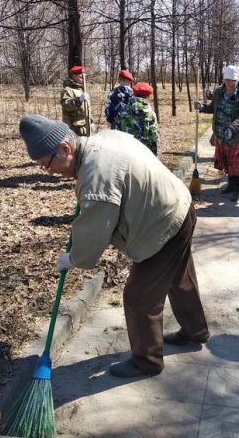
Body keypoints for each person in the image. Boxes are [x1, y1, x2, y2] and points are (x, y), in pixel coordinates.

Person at [19, 114, 210, 377]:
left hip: (162, 225)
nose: (49, 172)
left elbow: (96, 229)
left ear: (65, 149)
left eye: (47, 164)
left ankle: (148, 362)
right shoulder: (102, 140)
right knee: (179, 275)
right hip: (179, 206)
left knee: (138, 297)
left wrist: (73, 259)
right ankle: (195, 330)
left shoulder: (96, 175)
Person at [195, 65, 239, 202]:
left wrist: (232, 128)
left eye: (233, 81)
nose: (230, 84)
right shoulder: (219, 91)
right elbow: (213, 108)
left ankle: (237, 189)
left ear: (237, 80)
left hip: (236, 134)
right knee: (225, 160)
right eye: (227, 80)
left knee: (236, 162)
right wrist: (202, 107)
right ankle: (230, 185)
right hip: (220, 133)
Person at [123, 82, 159, 155]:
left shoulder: (123, 111)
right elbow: (154, 137)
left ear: (134, 94)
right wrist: (154, 155)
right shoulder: (150, 114)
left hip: (126, 152)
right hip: (144, 154)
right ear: (149, 96)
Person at [60, 65, 91, 136]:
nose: (82, 76)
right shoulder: (67, 90)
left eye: (82, 74)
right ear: (73, 76)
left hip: (85, 127)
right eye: (79, 74)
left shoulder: (82, 89)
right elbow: (66, 105)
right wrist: (79, 100)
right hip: (74, 129)